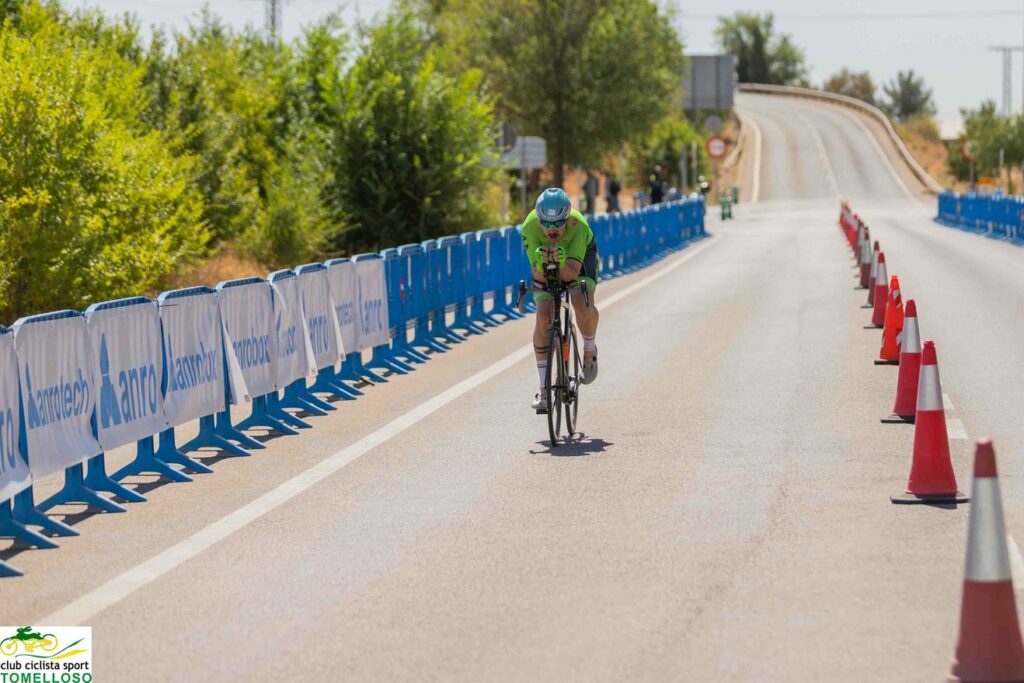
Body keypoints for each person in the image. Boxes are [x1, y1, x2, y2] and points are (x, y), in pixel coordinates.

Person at [522, 188, 601, 413]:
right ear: (539, 219)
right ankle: (544, 390)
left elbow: (570, 276)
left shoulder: (578, 226)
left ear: (567, 217)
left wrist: (561, 261)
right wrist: (541, 263)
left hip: (579, 260)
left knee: (580, 302)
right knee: (543, 315)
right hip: (546, 264)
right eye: (546, 223)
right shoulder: (529, 227)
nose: (552, 229)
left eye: (558, 222)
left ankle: (589, 350)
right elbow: (537, 277)